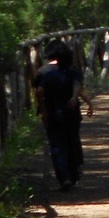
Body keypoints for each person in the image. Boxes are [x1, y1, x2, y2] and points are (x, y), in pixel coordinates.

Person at [34, 40, 94, 197]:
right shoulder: (74, 72)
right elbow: (77, 86)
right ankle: (74, 173)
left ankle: (63, 177)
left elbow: (39, 91)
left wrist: (43, 109)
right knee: (73, 141)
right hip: (72, 113)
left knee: (56, 144)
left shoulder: (45, 73)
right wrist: (80, 100)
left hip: (54, 113)